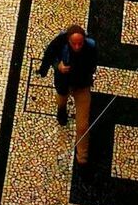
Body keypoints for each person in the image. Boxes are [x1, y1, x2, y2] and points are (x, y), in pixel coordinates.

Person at [36, 23, 99, 166]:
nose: (77, 47)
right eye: (74, 43)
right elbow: (49, 56)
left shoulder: (90, 46)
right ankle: (61, 111)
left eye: (80, 43)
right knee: (61, 100)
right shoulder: (59, 43)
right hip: (63, 83)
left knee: (82, 125)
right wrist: (58, 66)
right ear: (68, 41)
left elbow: (94, 62)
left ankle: (82, 156)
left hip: (82, 86)